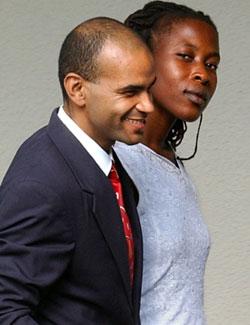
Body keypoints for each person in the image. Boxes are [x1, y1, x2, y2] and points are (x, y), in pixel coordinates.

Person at [0, 17, 155, 324]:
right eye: (130, 92)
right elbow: (6, 308)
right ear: (77, 89)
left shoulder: (103, 159)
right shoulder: (41, 181)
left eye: (149, 89)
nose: (148, 105)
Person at [115, 1, 220, 324]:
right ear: (143, 59)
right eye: (186, 57)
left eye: (212, 64)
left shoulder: (173, 166)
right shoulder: (114, 162)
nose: (202, 74)